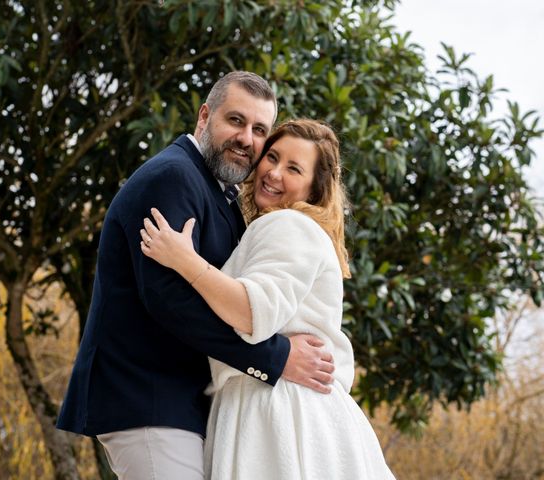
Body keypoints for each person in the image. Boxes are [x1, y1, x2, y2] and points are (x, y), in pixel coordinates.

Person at [56, 72, 336, 480]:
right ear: (204, 117)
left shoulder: (217, 192)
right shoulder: (173, 176)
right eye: (236, 121)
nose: (247, 139)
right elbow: (168, 299)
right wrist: (276, 358)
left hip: (182, 405)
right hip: (149, 398)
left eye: (260, 130)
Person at [140, 119, 396, 479]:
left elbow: (250, 312)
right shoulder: (291, 228)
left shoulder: (288, 224)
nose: (274, 173)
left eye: (293, 168)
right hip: (293, 404)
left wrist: (186, 261)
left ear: (313, 187)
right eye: (272, 157)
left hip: (274, 409)